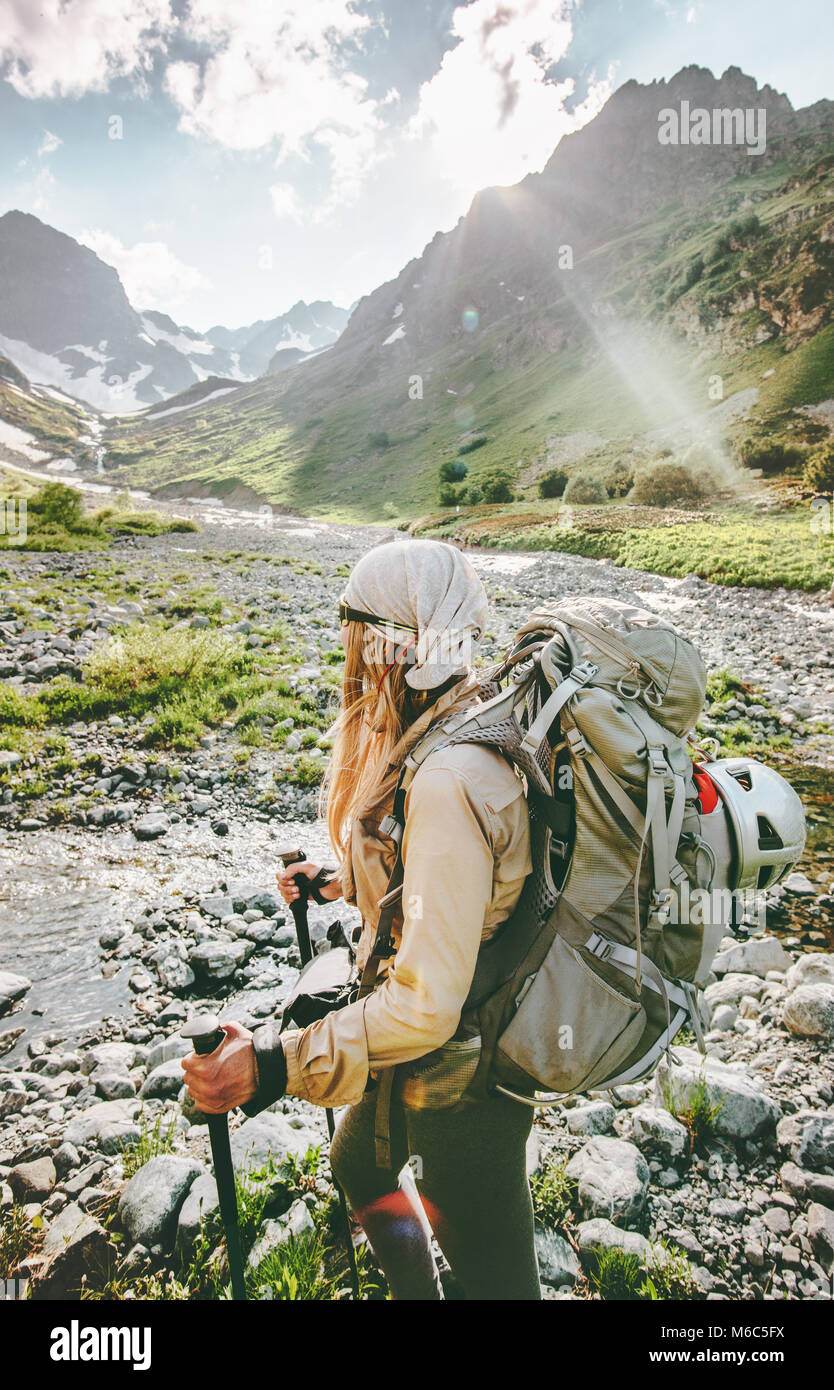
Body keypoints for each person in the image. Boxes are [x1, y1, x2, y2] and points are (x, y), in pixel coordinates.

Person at [183, 537, 540, 1300]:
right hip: (441, 1046)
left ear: (387, 644)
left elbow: (423, 1006)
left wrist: (275, 1062)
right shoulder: (460, 717)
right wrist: (345, 881)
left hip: (466, 1079)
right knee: (360, 1164)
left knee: (497, 1274)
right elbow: (448, 882)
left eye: (353, 634)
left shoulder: (450, 776)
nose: (346, 656)